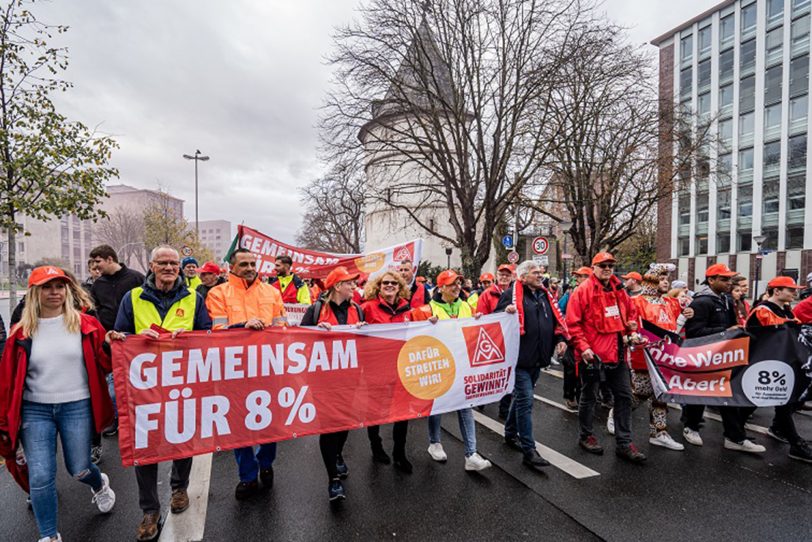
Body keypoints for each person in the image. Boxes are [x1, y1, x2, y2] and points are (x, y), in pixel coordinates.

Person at [0, 266, 116, 542]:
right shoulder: (20, 334)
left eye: (59, 286)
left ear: (67, 290)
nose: (54, 292)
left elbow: (107, 363)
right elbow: (6, 383)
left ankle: (99, 483)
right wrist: (5, 424)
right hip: (34, 410)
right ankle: (49, 535)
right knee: (40, 476)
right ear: (34, 293)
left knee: (80, 468)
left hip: (76, 406)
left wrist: (113, 344)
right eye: (47, 287)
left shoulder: (86, 324)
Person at [111, 246, 211, 541]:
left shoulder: (195, 298)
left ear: (180, 267)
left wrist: (189, 338)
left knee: (183, 437)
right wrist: (136, 339)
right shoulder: (132, 298)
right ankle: (149, 509)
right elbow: (120, 336)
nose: (169, 267)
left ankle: (179, 488)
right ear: (151, 266)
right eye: (163, 263)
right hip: (146, 386)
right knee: (146, 446)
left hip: (183, 383)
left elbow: (207, 337)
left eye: (173, 263)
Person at [206, 248, 286, 500]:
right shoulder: (217, 293)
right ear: (232, 267)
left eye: (253, 263)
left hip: (267, 368)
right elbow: (216, 330)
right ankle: (248, 476)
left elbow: (282, 326)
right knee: (239, 426)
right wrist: (242, 326)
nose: (251, 267)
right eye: (244, 264)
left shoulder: (272, 292)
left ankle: (265, 463)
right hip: (233, 370)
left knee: (270, 424)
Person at [566, 252, 646, 463]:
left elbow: (630, 313)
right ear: (594, 267)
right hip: (593, 356)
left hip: (617, 353)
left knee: (624, 397)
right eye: (603, 265)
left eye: (610, 265)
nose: (607, 268)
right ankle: (586, 435)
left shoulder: (619, 290)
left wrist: (631, 330)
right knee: (589, 396)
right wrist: (583, 348)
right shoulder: (583, 291)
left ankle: (624, 442)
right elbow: (572, 323)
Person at [411, 269, 492, 472]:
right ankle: (434, 442)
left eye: (459, 283)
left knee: (465, 406)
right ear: (441, 288)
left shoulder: (465, 306)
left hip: (462, 365)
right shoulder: (426, 310)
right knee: (437, 405)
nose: (457, 287)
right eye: (452, 284)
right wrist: (424, 326)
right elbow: (414, 337)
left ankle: (471, 454)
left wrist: (481, 320)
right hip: (438, 366)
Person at [682, 263, 764, 453]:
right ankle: (691, 427)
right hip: (704, 357)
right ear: (711, 280)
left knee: (728, 396)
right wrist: (725, 331)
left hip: (724, 356)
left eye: (729, 279)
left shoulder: (726, 300)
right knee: (700, 395)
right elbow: (694, 332)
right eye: (724, 279)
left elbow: (733, 326)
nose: (729, 282)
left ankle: (734, 437)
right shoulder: (701, 302)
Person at [300, 266, 365, 502]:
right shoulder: (315, 310)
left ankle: (337, 455)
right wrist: (315, 333)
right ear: (338, 286)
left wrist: (362, 332)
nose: (354, 287)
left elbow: (368, 344)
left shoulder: (357, 309)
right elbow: (299, 344)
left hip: (350, 379)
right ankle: (333, 480)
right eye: (350, 283)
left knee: (344, 423)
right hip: (323, 381)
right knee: (329, 427)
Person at [495, 261, 568, 471]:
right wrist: (505, 312)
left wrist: (561, 339)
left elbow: (554, 321)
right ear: (523, 276)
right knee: (526, 401)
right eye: (536, 272)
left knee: (520, 399)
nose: (540, 275)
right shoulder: (511, 295)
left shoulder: (545, 295)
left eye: (541, 272)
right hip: (518, 360)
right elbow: (496, 322)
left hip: (538, 358)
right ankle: (529, 451)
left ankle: (510, 433)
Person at [745, 276, 812, 463]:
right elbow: (773, 338)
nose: (794, 293)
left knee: (782, 402)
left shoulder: (786, 310)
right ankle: (795, 444)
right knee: (776, 403)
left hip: (782, 365)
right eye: (790, 290)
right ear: (777, 291)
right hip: (766, 365)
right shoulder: (763, 310)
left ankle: (739, 432)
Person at [626, 267, 691, 451]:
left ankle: (659, 432)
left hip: (664, 358)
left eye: (666, 279)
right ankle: (617, 413)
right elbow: (629, 326)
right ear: (649, 282)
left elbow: (687, 310)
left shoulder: (670, 302)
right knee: (641, 392)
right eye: (660, 278)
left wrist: (689, 312)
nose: (665, 282)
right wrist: (634, 337)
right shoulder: (635, 302)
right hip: (642, 357)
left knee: (661, 395)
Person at [89, 244, 145, 438]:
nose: (95, 266)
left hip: (133, 339)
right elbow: (95, 309)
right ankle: (116, 420)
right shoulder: (98, 284)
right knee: (112, 388)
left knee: (135, 384)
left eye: (98, 261)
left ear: (110, 259)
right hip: (109, 342)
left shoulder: (136, 278)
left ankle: (136, 419)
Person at [360, 271, 414, 473]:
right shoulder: (367, 308)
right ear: (378, 286)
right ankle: (376, 445)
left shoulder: (408, 310)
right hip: (376, 369)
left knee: (402, 413)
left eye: (393, 283)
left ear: (400, 287)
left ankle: (400, 454)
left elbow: (420, 331)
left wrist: (431, 323)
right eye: (385, 283)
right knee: (375, 411)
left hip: (401, 369)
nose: (389, 285)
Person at [558, 267, 593, 410]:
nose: (578, 279)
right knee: (571, 369)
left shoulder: (596, 292)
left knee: (589, 371)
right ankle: (570, 396)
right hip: (573, 337)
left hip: (590, 339)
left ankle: (585, 396)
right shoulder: (571, 293)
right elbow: (559, 309)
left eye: (582, 276)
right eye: (578, 276)